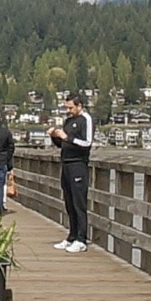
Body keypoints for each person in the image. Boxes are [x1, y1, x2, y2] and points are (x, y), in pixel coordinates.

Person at [50, 93, 96, 249]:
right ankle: (72, 236)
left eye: (70, 107)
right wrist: (55, 136)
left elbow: (87, 143)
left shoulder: (86, 120)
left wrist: (67, 137)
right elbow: (62, 144)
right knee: (69, 202)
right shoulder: (68, 121)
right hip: (66, 164)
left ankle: (81, 239)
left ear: (79, 106)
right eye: (66, 107)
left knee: (79, 203)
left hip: (78, 165)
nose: (68, 110)